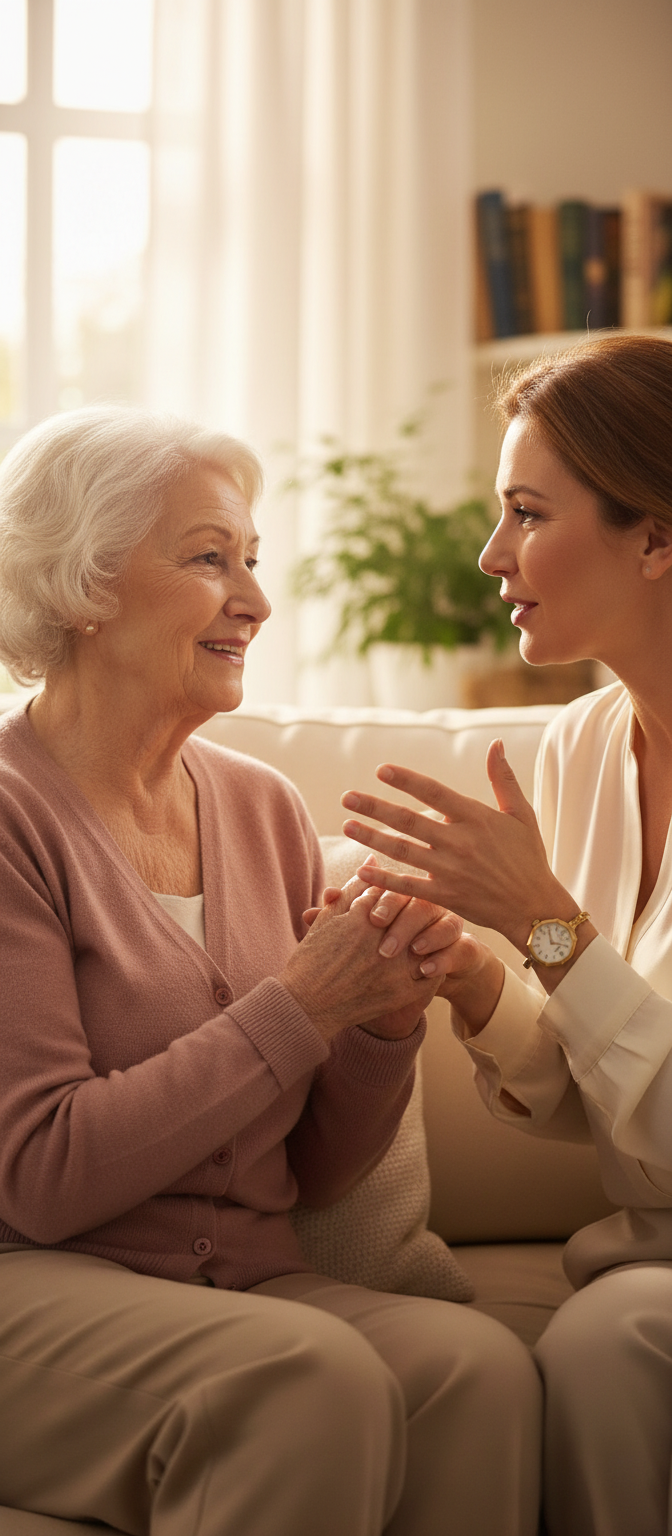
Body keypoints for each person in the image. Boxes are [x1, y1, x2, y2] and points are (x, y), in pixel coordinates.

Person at [0, 405, 541, 1536]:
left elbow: (319, 1174)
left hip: (243, 1280)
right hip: (36, 1284)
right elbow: (44, 1173)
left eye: (252, 559)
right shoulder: (13, 818)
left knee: (473, 1368)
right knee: (306, 1374)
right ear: (83, 584)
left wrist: (384, 1025)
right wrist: (300, 1006)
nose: (256, 599)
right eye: (210, 559)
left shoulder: (261, 808)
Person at [339, 331, 672, 1536]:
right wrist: (478, 976)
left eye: (528, 514)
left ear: (657, 536)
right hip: (637, 1258)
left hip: (637, 1295)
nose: (492, 557)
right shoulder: (580, 748)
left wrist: (541, 920)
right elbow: (607, 1088)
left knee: (610, 1344)